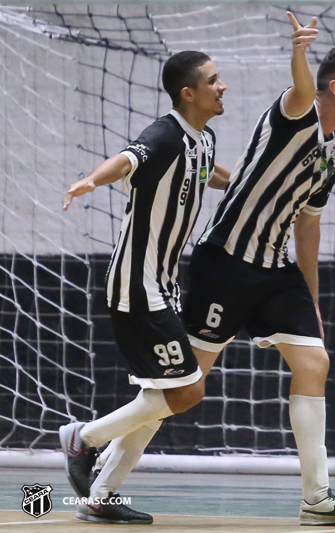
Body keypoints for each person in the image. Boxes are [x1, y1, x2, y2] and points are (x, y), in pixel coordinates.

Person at [181, 12, 335, 527]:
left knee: (314, 364)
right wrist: (300, 50)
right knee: (186, 387)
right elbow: (302, 86)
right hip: (223, 261)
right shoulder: (297, 113)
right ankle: (90, 453)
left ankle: (318, 499)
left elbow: (308, 226)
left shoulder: (334, 153)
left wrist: (311, 297)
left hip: (275, 269)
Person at [59, 50, 230, 525]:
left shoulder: (204, 139)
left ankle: (99, 496)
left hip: (164, 284)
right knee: (188, 391)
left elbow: (211, 171)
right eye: (214, 81)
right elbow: (128, 159)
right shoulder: (163, 135)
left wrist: (246, 189)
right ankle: (82, 438)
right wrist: (91, 181)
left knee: (160, 399)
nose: (223, 87)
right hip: (138, 286)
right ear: (188, 93)